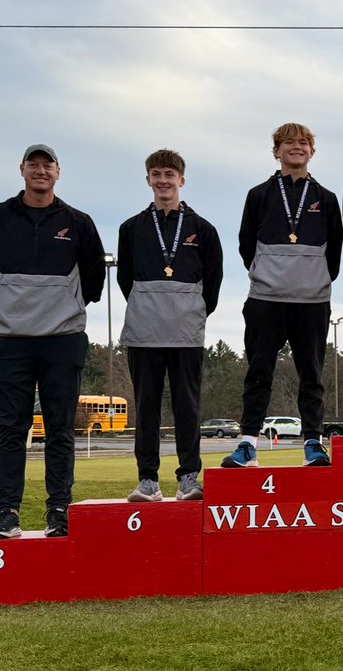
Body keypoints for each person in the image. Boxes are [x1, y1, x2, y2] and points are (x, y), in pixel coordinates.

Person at [0, 144, 105, 538]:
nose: (41, 171)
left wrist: (69, 303)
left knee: (60, 429)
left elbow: (94, 278)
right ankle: (7, 513)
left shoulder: (78, 222)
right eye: (34, 164)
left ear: (58, 173)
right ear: (22, 170)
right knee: (9, 428)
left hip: (62, 340)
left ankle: (59, 511)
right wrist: (2, 305)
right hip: (9, 340)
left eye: (48, 165)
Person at [222, 123, 343, 468]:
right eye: (289, 143)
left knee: (312, 375)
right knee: (258, 371)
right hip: (266, 300)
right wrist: (269, 274)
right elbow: (247, 246)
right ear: (276, 151)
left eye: (303, 143)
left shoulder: (327, 199)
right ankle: (247, 445)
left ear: (312, 152)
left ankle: (313, 445)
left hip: (312, 302)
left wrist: (312, 279)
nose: (297, 147)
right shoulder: (258, 195)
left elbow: (334, 254)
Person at [117, 149, 223, 502]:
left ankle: (189, 478)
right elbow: (125, 280)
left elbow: (214, 282)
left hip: (186, 333)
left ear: (182, 179)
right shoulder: (131, 228)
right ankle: (147, 480)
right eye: (157, 174)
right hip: (144, 332)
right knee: (146, 407)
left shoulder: (203, 229)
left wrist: (191, 312)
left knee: (187, 407)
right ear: (148, 179)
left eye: (170, 174)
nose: (164, 180)